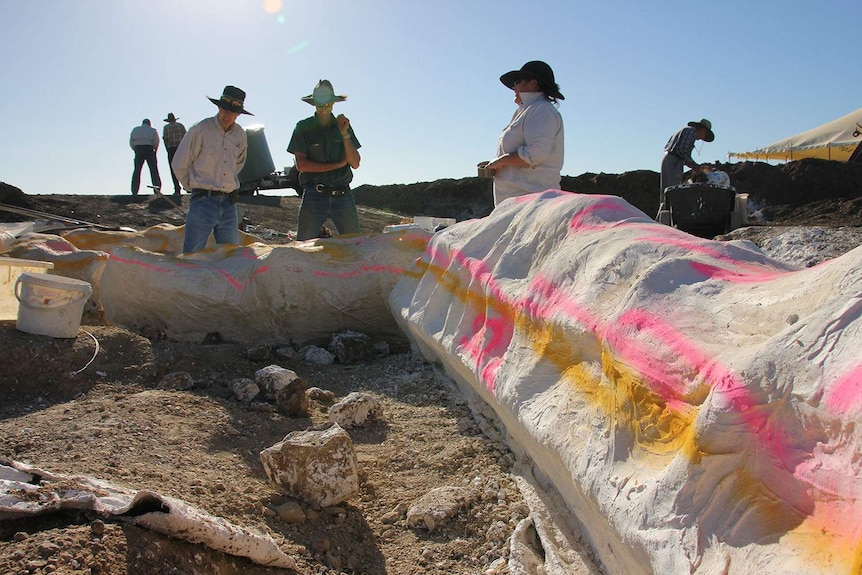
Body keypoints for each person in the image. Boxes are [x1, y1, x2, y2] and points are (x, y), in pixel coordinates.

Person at [172, 85, 251, 254]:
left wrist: (226, 182)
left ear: (238, 114)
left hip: (229, 204)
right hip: (203, 202)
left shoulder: (240, 135)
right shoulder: (201, 129)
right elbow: (180, 162)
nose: (227, 115)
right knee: (192, 255)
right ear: (219, 107)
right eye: (224, 109)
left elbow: (238, 163)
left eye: (232, 112)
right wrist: (195, 186)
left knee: (231, 257)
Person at [288, 79, 361, 241]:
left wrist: (344, 133)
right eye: (320, 104)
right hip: (314, 195)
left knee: (356, 245)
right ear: (314, 104)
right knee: (303, 246)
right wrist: (337, 165)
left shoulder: (343, 126)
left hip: (343, 195)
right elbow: (301, 165)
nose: (324, 108)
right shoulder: (302, 127)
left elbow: (355, 163)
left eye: (327, 104)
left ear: (333, 104)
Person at [484, 60, 565, 206]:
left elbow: (536, 154)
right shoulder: (527, 111)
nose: (514, 87)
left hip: (530, 202)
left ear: (533, 83)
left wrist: (499, 161)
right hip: (519, 204)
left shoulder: (541, 110)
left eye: (517, 81)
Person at [658, 119, 715, 221]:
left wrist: (697, 166)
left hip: (674, 160)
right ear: (702, 129)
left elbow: (684, 155)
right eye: (705, 134)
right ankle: (663, 222)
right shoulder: (691, 131)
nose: (702, 138)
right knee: (670, 192)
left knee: (669, 192)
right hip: (673, 161)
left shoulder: (686, 131)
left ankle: (664, 220)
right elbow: (682, 151)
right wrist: (696, 167)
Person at [129, 119, 161, 195]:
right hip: (149, 148)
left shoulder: (135, 129)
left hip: (138, 148)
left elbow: (131, 142)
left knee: (137, 171)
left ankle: (134, 191)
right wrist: (155, 150)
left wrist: (135, 149)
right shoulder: (153, 130)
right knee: (153, 170)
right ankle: (157, 190)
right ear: (149, 123)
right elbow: (156, 141)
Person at [162, 113, 187, 196]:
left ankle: (177, 189)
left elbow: (165, 139)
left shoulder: (166, 128)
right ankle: (187, 186)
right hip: (181, 148)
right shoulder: (180, 126)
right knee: (184, 167)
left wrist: (167, 150)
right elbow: (186, 137)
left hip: (171, 149)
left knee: (173, 169)